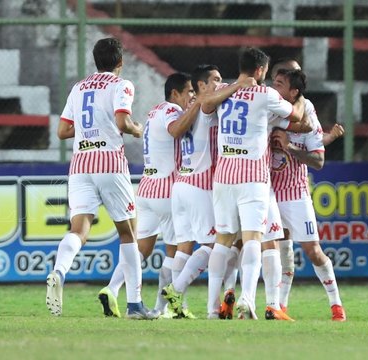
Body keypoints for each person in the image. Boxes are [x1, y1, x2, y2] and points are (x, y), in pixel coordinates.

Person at [46, 38, 156, 319]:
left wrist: (89, 128)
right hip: (108, 161)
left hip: (81, 163)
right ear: (120, 62)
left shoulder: (79, 87)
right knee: (128, 232)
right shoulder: (121, 85)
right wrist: (135, 129)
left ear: (96, 61)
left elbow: (62, 131)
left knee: (79, 228)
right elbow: (121, 122)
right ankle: (134, 304)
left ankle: (59, 270)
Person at [202, 47, 305, 320]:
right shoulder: (266, 94)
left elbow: (206, 105)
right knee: (253, 239)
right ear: (260, 71)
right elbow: (294, 115)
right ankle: (248, 300)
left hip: (224, 176)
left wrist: (236, 86)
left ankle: (212, 308)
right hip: (253, 178)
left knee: (222, 241)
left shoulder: (224, 90)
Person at [161, 65, 256, 319]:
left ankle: (174, 308)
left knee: (184, 248)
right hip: (200, 185)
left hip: (181, 184)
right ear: (201, 85)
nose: (219, 83)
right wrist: (240, 85)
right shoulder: (205, 105)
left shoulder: (188, 109)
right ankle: (176, 289)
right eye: (215, 80)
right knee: (216, 245)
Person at [97, 72, 191, 319]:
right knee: (175, 250)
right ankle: (162, 308)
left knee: (140, 249)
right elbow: (175, 131)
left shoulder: (153, 111)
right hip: (167, 189)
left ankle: (112, 288)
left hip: (147, 189)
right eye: (189, 92)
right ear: (175, 93)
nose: (191, 97)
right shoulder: (173, 111)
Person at [271, 69, 346, 321]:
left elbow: (318, 161)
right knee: (278, 254)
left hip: (295, 193)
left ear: (294, 92)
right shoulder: (268, 107)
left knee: (313, 250)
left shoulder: (308, 118)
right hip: (267, 193)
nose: (274, 87)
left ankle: (336, 305)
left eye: (279, 84)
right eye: (273, 81)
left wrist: (289, 147)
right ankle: (278, 307)